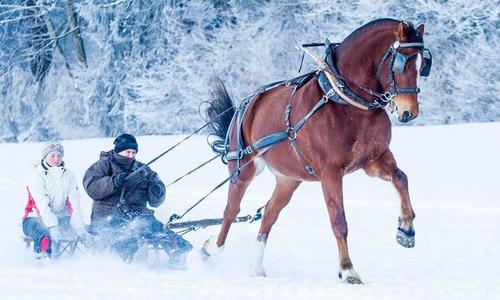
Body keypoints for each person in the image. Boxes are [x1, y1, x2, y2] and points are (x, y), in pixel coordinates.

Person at [82, 133, 192, 266]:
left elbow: (155, 202)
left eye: (134, 152)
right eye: (128, 152)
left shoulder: (143, 169)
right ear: (118, 151)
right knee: (125, 234)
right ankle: (131, 262)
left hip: (138, 213)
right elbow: (92, 187)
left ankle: (185, 254)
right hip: (108, 214)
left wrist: (157, 192)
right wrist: (113, 181)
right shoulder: (104, 165)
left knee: (156, 228)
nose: (131, 156)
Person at [23, 142, 89, 259]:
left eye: (59, 155)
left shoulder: (69, 175)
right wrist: (52, 226)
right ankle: (43, 258)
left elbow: (74, 202)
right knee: (44, 233)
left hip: (61, 217)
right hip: (35, 218)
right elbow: (40, 204)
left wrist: (78, 226)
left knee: (86, 230)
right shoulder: (36, 176)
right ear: (45, 157)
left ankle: (96, 256)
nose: (56, 159)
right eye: (52, 155)